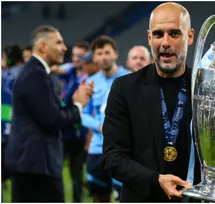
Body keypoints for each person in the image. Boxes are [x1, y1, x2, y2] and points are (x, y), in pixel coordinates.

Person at [102, 2, 215, 202]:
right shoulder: (125, 88)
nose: (165, 42)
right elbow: (113, 158)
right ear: (149, 37)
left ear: (189, 36)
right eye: (159, 34)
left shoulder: (211, 89)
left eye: (174, 33)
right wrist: (155, 180)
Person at [5, 25, 94, 202]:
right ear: (43, 46)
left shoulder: (37, 72)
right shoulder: (35, 75)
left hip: (33, 164)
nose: (64, 48)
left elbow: (51, 112)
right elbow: (52, 120)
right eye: (59, 42)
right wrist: (78, 106)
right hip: (36, 166)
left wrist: (73, 102)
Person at [82, 35, 129, 202]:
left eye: (107, 52)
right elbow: (82, 114)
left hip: (123, 150)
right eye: (99, 53)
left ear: (115, 54)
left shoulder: (129, 79)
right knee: (100, 198)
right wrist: (98, 126)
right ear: (94, 58)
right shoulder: (90, 82)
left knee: (124, 197)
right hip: (98, 149)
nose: (104, 57)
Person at [51, 41, 91, 203]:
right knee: (56, 168)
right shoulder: (70, 71)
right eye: (74, 55)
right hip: (65, 128)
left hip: (81, 131)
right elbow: (54, 69)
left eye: (80, 56)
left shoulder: (91, 76)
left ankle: (77, 199)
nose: (76, 59)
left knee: (77, 171)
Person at [1, 45, 23, 201]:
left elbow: (5, 109)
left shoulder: (6, 77)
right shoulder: (27, 74)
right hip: (22, 135)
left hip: (5, 134)